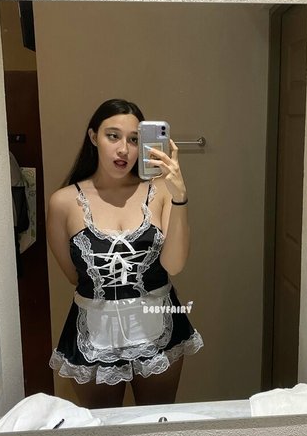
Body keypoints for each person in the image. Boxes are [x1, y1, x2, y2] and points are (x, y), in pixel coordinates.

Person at [46, 99, 204, 408]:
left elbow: (174, 264)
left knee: (156, 423)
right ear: (93, 137)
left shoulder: (161, 192)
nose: (124, 149)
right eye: (113, 136)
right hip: (94, 330)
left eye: (134, 140)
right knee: (101, 428)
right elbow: (73, 276)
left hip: (159, 323)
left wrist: (180, 197)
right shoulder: (63, 202)